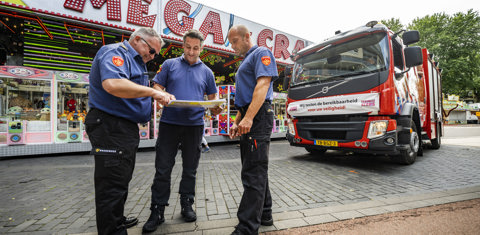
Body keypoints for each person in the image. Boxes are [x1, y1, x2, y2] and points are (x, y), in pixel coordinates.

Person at [85, 27, 174, 235]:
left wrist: (151, 103)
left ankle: (117, 219)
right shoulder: (116, 53)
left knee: (120, 180)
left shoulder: (137, 63)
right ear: (136, 39)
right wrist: (153, 92)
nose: (151, 57)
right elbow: (113, 84)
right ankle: (113, 229)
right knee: (111, 187)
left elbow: (131, 94)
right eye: (151, 50)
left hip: (123, 128)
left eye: (155, 55)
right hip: (110, 125)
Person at [143, 29, 223, 233]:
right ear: (183, 45)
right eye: (188, 47)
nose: (191, 51)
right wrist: (163, 94)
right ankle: (157, 210)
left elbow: (213, 99)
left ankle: (187, 204)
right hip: (169, 124)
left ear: (201, 49)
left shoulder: (207, 72)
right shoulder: (170, 65)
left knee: (190, 169)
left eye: (196, 48)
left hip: (194, 126)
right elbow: (157, 87)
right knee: (163, 168)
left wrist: (216, 107)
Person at [227, 25, 278, 235]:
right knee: (256, 169)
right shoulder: (247, 61)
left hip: (257, 117)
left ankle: (247, 228)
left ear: (248, 36)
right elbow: (245, 98)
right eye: (231, 43)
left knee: (253, 172)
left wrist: (248, 118)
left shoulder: (261, 53)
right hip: (250, 114)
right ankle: (265, 213)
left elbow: (262, 86)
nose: (233, 47)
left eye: (235, 41)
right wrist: (237, 121)